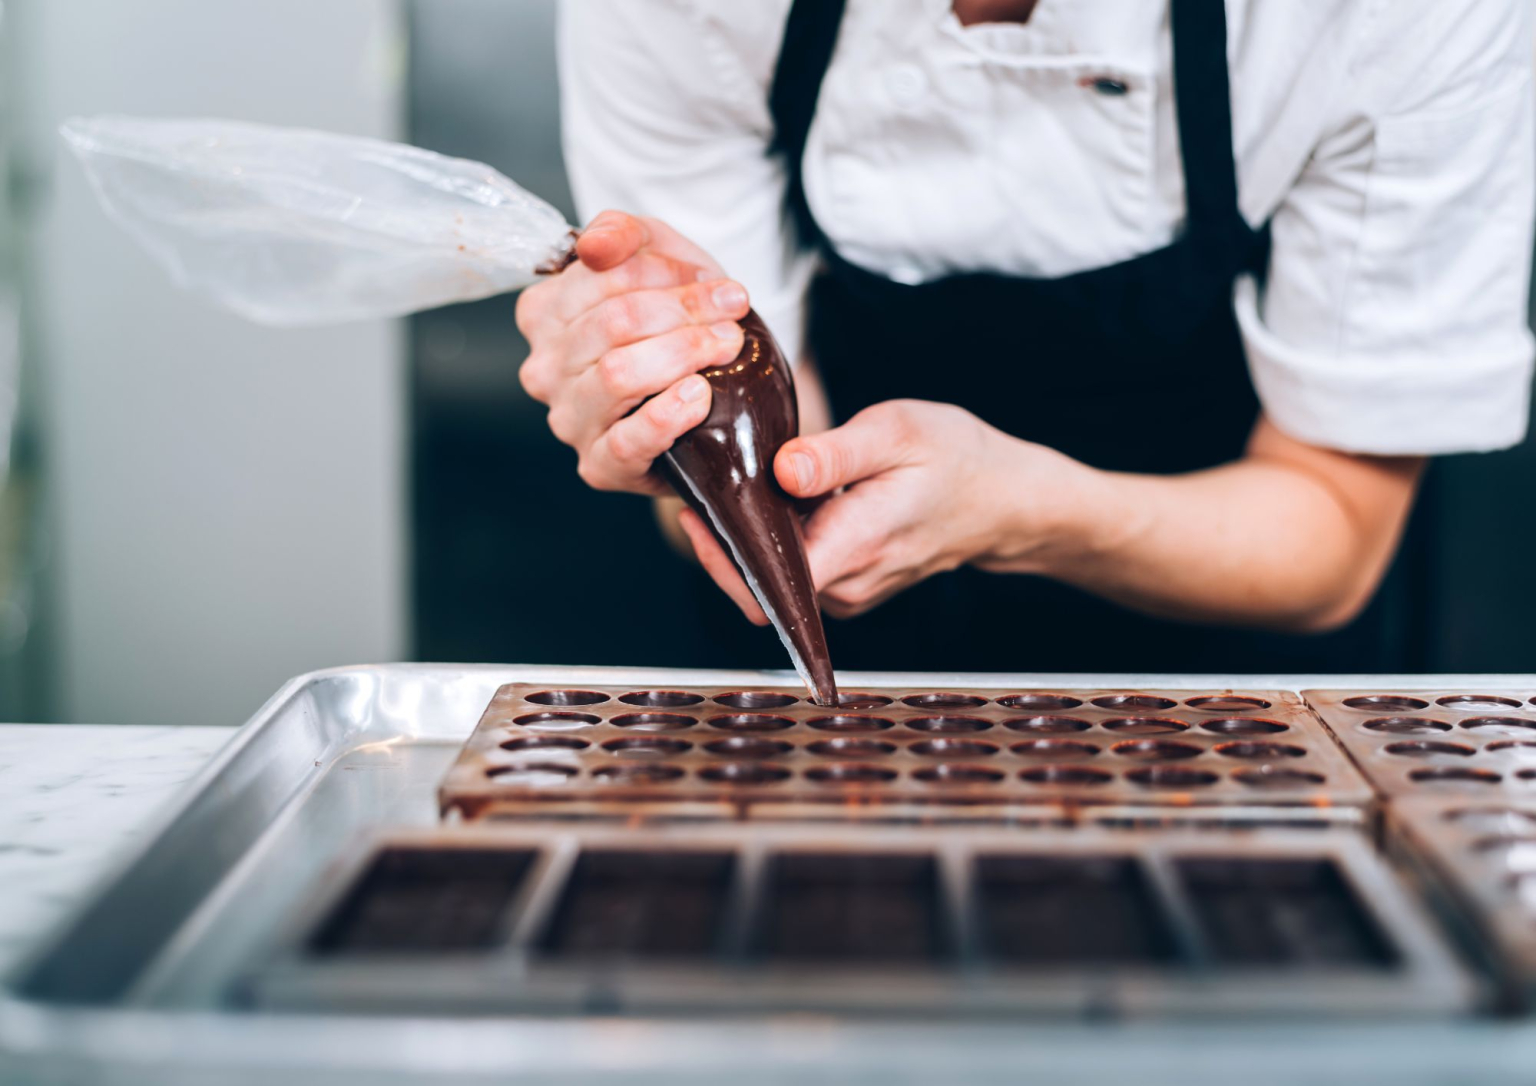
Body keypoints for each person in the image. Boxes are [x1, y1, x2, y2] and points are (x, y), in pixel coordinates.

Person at [515, 0, 1535, 673]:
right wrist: (667, 409)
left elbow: (1337, 530)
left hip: (1232, 714)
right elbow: (749, 430)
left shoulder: (1400, 18)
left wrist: (1024, 509)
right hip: (815, 675)